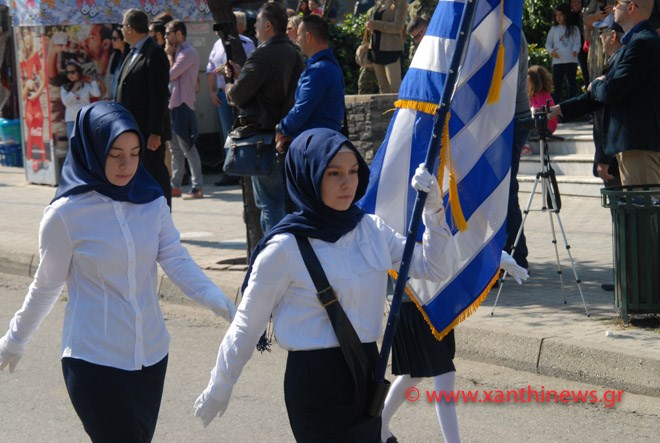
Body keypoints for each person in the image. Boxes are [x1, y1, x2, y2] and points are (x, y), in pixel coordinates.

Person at [192, 127, 453, 441]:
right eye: (333, 173)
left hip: (367, 374)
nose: (347, 183)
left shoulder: (371, 229)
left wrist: (433, 210)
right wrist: (219, 387)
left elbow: (435, 268)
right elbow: (247, 326)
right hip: (316, 388)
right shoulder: (283, 249)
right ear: (309, 177)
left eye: (353, 171)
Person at [0, 101, 236, 442]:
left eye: (135, 153)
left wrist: (220, 301)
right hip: (93, 361)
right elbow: (46, 286)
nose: (127, 165)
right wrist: (15, 340)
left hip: (152, 358)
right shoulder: (65, 215)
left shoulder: (151, 200)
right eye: (115, 154)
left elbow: (175, 259)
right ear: (92, 150)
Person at [549, 2, 660, 186]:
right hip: (633, 148)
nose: (614, 7)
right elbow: (605, 92)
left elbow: (611, 91)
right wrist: (559, 109)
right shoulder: (634, 43)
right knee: (636, 203)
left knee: (643, 204)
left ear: (631, 7)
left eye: (618, 3)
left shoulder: (642, 42)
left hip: (640, 146)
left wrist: (596, 85)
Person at [223, 2, 303, 234]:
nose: (255, 28)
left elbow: (237, 96)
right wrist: (243, 76)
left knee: (270, 204)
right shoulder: (293, 52)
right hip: (287, 135)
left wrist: (229, 85)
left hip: (264, 138)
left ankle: (275, 251)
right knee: (286, 203)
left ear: (267, 25)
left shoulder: (264, 53)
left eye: (257, 22)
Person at [115, 8, 172, 207]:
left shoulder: (153, 53)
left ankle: (164, 213)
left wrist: (155, 131)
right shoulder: (132, 52)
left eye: (122, 26)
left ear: (130, 28)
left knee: (155, 173)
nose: (121, 31)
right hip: (131, 129)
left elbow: (159, 95)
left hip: (148, 132)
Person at [275, 14, 345, 151]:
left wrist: (281, 129)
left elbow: (301, 111)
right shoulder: (331, 65)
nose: (297, 40)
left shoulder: (318, 70)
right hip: (324, 141)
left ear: (308, 37)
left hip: (314, 145)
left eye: (299, 35)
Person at [206, 11, 256, 187]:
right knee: (227, 132)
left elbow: (252, 69)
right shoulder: (217, 44)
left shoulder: (247, 43)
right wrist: (212, 92)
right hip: (223, 94)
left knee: (243, 130)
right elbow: (211, 69)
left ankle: (243, 168)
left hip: (242, 94)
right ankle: (231, 170)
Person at [165, 19, 203, 200]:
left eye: (169, 33)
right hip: (172, 105)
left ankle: (197, 187)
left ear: (179, 34)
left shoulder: (188, 52)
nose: (166, 37)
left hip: (183, 105)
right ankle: (175, 185)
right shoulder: (178, 52)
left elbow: (170, 74)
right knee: (175, 149)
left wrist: (169, 55)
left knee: (188, 148)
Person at [503, 32, 532, 270]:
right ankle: (514, 252)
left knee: (505, 189)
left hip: (511, 117)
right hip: (510, 116)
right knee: (506, 189)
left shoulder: (508, 31)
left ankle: (514, 254)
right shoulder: (507, 28)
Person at [19, 27, 48, 173]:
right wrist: (27, 87)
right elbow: (23, 95)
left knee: (39, 130)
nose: (27, 38)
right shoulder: (21, 61)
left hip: (36, 103)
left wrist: (37, 93)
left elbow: (44, 80)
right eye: (24, 35)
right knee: (32, 132)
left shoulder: (35, 55)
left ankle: (41, 159)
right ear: (22, 39)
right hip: (29, 106)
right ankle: (34, 160)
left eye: (28, 35)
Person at [365, 0, 408, 94]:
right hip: (376, 49)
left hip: (391, 50)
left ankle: (402, 104)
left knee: (395, 86)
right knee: (383, 88)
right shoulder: (380, 2)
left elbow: (398, 27)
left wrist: (375, 24)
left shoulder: (401, 2)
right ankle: (385, 105)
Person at [545, 4, 582, 103]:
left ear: (566, 14)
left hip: (571, 61)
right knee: (556, 86)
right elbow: (548, 44)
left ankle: (572, 106)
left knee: (572, 84)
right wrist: (551, 51)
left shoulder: (574, 29)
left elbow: (577, 42)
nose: (558, 17)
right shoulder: (554, 29)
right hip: (558, 61)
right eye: (556, 15)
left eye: (560, 14)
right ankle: (555, 107)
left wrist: (575, 50)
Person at [60, 60, 101, 141]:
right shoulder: (64, 87)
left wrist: (92, 81)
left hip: (84, 119)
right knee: (73, 144)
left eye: (73, 72)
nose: (70, 75)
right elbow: (65, 102)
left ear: (79, 72)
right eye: (68, 72)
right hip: (71, 120)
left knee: (85, 143)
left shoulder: (86, 85)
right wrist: (73, 90)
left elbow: (97, 94)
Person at [82, 24, 113, 99]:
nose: (85, 42)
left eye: (91, 37)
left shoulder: (116, 72)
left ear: (105, 44)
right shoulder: (86, 71)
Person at [527, 65, 558, 134]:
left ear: (535, 83)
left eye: (528, 82)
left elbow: (539, 113)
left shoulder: (542, 96)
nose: (526, 84)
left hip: (546, 127)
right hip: (542, 126)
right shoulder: (534, 95)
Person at [109, 27, 130, 100]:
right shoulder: (115, 56)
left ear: (123, 39)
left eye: (114, 38)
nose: (112, 41)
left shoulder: (130, 57)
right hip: (115, 98)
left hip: (125, 98)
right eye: (112, 38)